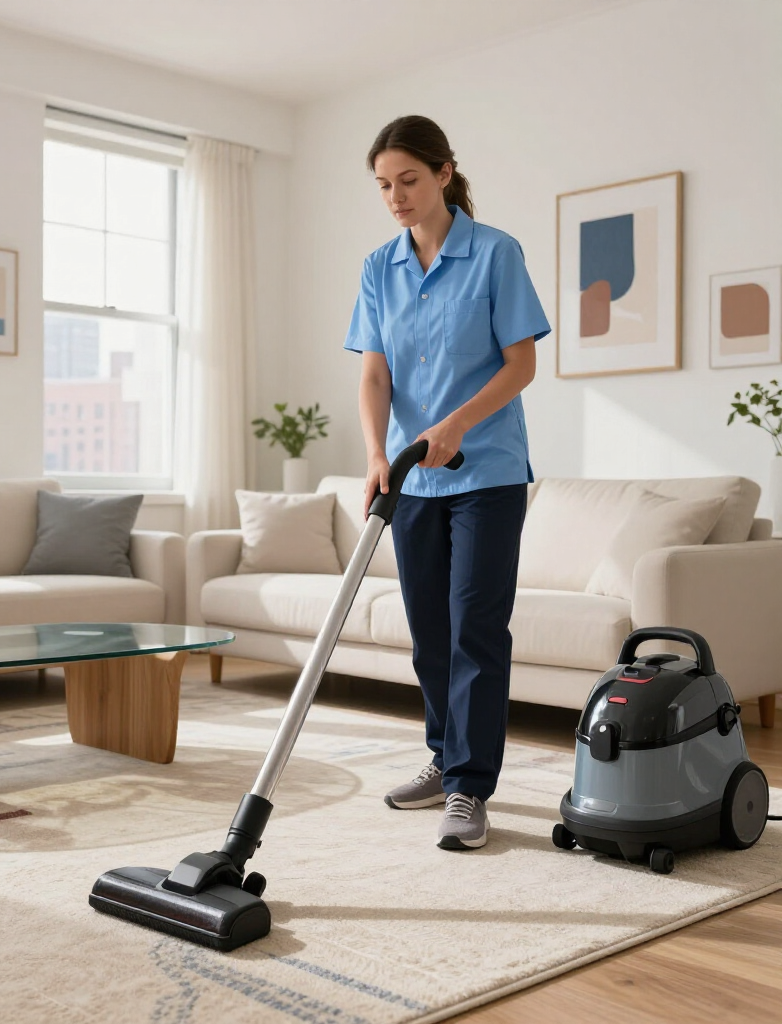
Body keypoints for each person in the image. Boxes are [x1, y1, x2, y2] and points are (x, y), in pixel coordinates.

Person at [344, 115, 550, 850]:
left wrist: (457, 423)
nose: (395, 196)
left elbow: (520, 364)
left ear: (442, 173)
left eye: (407, 180)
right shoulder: (379, 268)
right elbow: (374, 372)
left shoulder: (494, 253)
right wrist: (376, 455)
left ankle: (470, 787)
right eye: (383, 186)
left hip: (486, 470)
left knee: (474, 628)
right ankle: (442, 758)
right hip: (409, 478)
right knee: (430, 633)